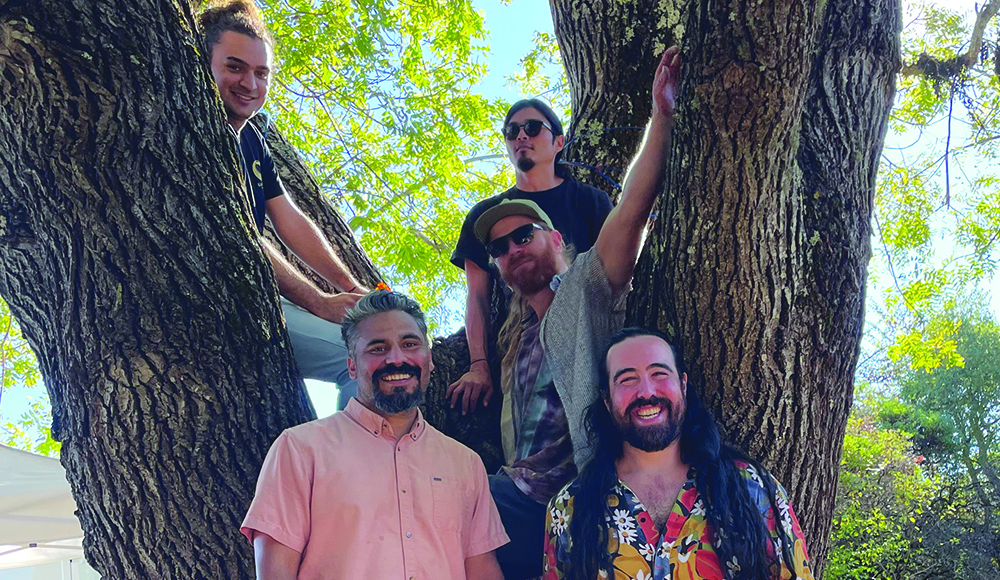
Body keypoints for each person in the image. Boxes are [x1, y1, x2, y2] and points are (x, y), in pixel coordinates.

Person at [468, 47, 682, 579]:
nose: (512, 249)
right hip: (520, 504)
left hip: (583, 498)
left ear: (558, 238)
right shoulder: (514, 335)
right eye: (499, 248)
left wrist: (661, 118)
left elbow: (633, 206)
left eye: (523, 235)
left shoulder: (585, 290)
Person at [241, 291, 509, 579]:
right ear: (352, 366)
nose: (396, 359)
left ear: (429, 360)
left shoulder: (465, 464)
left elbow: (483, 571)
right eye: (377, 349)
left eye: (409, 344)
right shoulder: (299, 449)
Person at [543, 328, 815, 580]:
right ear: (607, 399)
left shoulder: (751, 489)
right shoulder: (570, 508)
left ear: (683, 384)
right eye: (627, 379)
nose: (646, 392)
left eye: (659, 373)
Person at [198, 1, 366, 408]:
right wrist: (318, 301)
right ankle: (345, 471)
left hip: (260, 289)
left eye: (261, 73)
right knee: (361, 361)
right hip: (219, 298)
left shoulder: (253, 139)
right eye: (234, 67)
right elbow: (242, 236)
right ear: (204, 64)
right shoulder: (200, 136)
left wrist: (348, 287)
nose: (250, 84)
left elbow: (290, 218)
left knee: (377, 337)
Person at [447, 97, 614, 415]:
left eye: (533, 128)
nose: (521, 136)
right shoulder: (486, 216)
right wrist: (479, 365)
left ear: (559, 142)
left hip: (589, 343)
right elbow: (477, 298)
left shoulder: (590, 201)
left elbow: (612, 275)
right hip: (521, 354)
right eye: (512, 131)